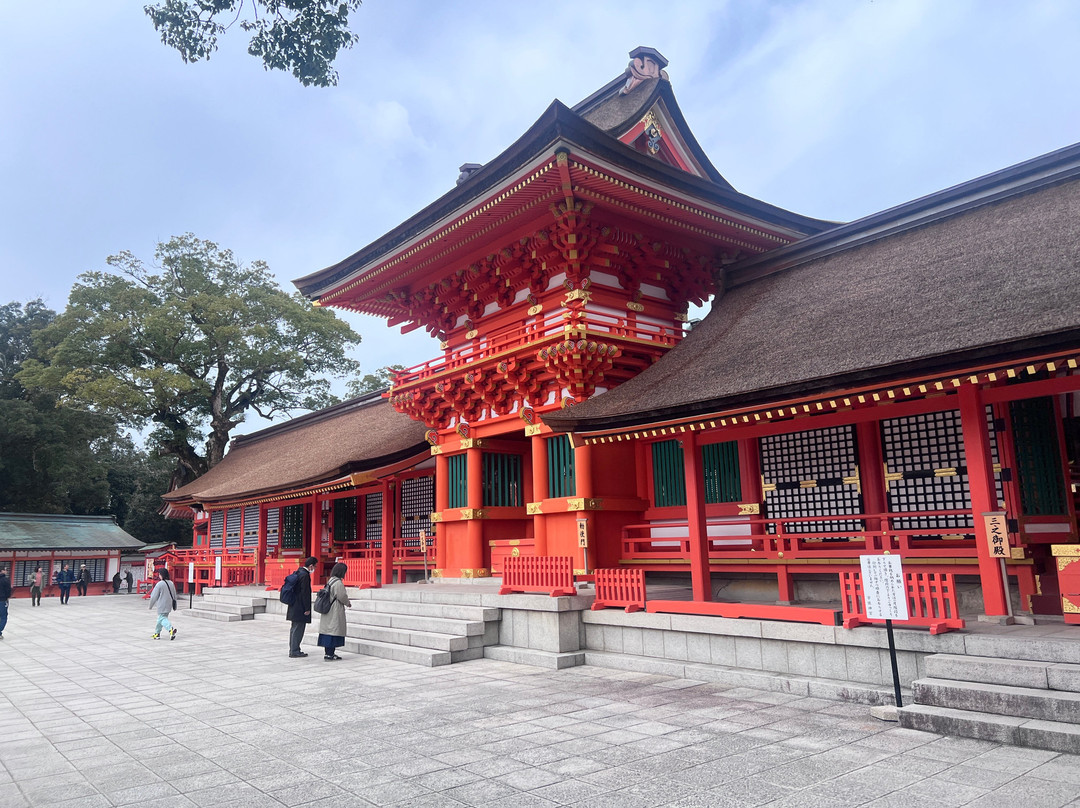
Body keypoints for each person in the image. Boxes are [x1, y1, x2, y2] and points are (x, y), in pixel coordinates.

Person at [317, 562, 351, 662]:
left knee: (328, 631)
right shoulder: (338, 583)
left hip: (328, 609)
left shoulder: (330, 581)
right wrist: (348, 603)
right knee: (333, 631)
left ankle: (328, 653)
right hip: (334, 610)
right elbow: (342, 596)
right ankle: (330, 653)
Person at [286, 557, 317, 658]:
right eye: (315, 566)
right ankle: (295, 650)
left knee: (294, 628)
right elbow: (305, 593)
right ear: (311, 566)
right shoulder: (305, 576)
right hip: (300, 606)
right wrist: (307, 608)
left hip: (293, 605)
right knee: (298, 629)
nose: (315, 568)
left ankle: (293, 649)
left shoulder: (298, 572)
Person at [148, 568, 177, 640]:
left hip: (162, 605)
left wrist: (150, 605)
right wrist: (175, 605)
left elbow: (154, 596)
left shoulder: (160, 584)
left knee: (162, 618)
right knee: (160, 619)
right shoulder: (171, 583)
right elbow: (174, 595)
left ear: (161, 575)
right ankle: (157, 633)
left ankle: (170, 629)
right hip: (169, 604)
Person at [0, 568, 10, 639]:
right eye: (5, 569)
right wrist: (8, 597)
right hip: (2, 600)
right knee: (3, 617)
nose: (6, 571)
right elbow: (8, 590)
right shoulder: (5, 580)